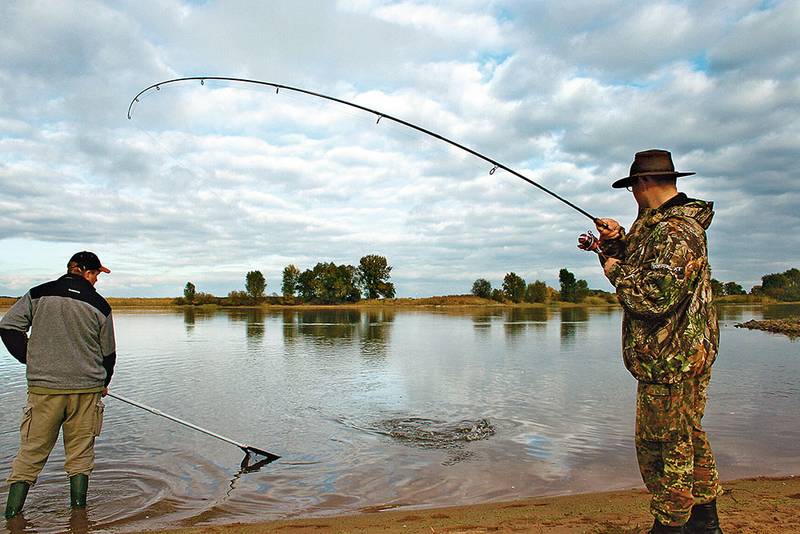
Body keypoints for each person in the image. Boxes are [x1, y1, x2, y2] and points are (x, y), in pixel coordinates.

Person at [594, 150, 723, 534]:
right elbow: (648, 268)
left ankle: (670, 526)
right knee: (687, 437)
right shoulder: (660, 227)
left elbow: (653, 298)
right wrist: (614, 243)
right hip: (676, 357)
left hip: (671, 360)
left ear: (644, 182)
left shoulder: (676, 232)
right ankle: (705, 524)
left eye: (633, 186)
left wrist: (614, 271)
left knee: (663, 448)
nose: (633, 194)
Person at [1, 251, 116, 519]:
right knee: (80, 456)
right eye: (96, 275)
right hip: (86, 391)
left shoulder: (38, 293)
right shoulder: (100, 305)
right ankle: (79, 517)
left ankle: (12, 517)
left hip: (45, 390)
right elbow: (109, 354)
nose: (96, 280)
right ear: (86, 272)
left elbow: (8, 327)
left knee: (30, 454)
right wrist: (103, 381)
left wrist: (31, 360)